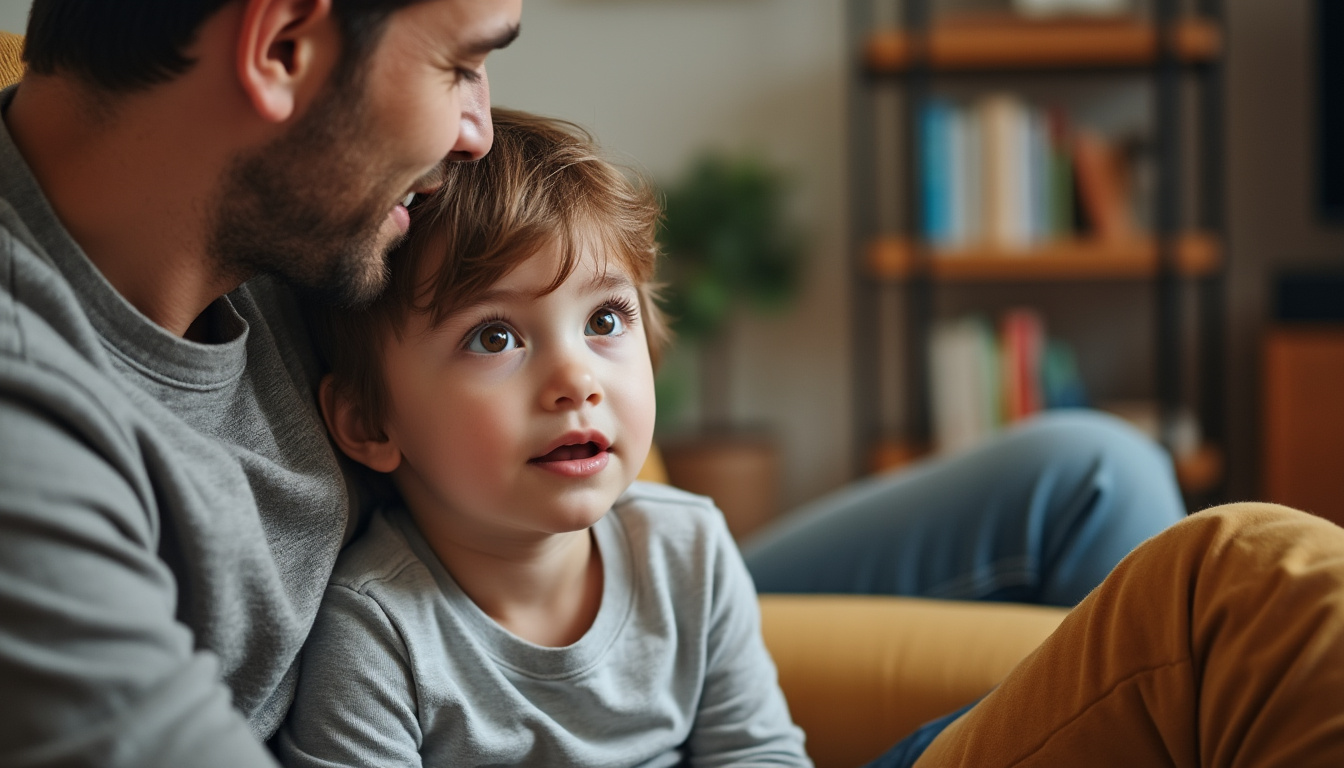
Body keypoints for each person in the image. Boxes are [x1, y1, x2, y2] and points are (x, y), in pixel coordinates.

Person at [0, 0, 1340, 766]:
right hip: (451, 631)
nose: (472, 129)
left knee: (1091, 474)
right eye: (465, 63)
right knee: (1251, 604)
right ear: (281, 46)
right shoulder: (34, 418)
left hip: (549, 588)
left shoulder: (270, 205)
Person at [275, 108, 809, 767]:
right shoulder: (377, 633)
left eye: (606, 318)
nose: (576, 379)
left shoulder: (688, 550)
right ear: (369, 421)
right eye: (494, 337)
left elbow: (760, 756)